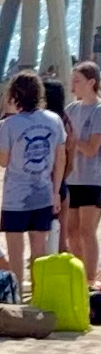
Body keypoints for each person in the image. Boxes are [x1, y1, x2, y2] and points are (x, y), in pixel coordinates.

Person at [0, 68, 67, 292]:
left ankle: (16, 293)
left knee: (15, 251)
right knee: (39, 248)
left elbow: (3, 161)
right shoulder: (54, 120)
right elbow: (60, 159)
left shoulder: (10, 124)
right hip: (44, 192)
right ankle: (39, 292)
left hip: (15, 196)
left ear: (14, 95)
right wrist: (56, 192)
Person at [63, 60, 101, 278]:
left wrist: (73, 140)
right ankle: (79, 275)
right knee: (71, 232)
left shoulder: (98, 110)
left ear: (91, 82)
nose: (73, 85)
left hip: (92, 178)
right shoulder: (71, 109)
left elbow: (91, 149)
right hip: (72, 178)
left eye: (77, 81)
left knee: (87, 231)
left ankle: (89, 279)